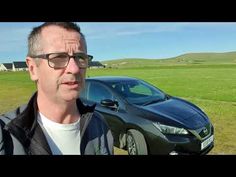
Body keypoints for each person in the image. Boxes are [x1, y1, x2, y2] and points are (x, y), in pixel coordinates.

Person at [0, 22, 113, 155]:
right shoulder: (6, 133)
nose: (75, 68)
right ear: (32, 69)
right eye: (59, 57)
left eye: (80, 57)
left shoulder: (99, 126)